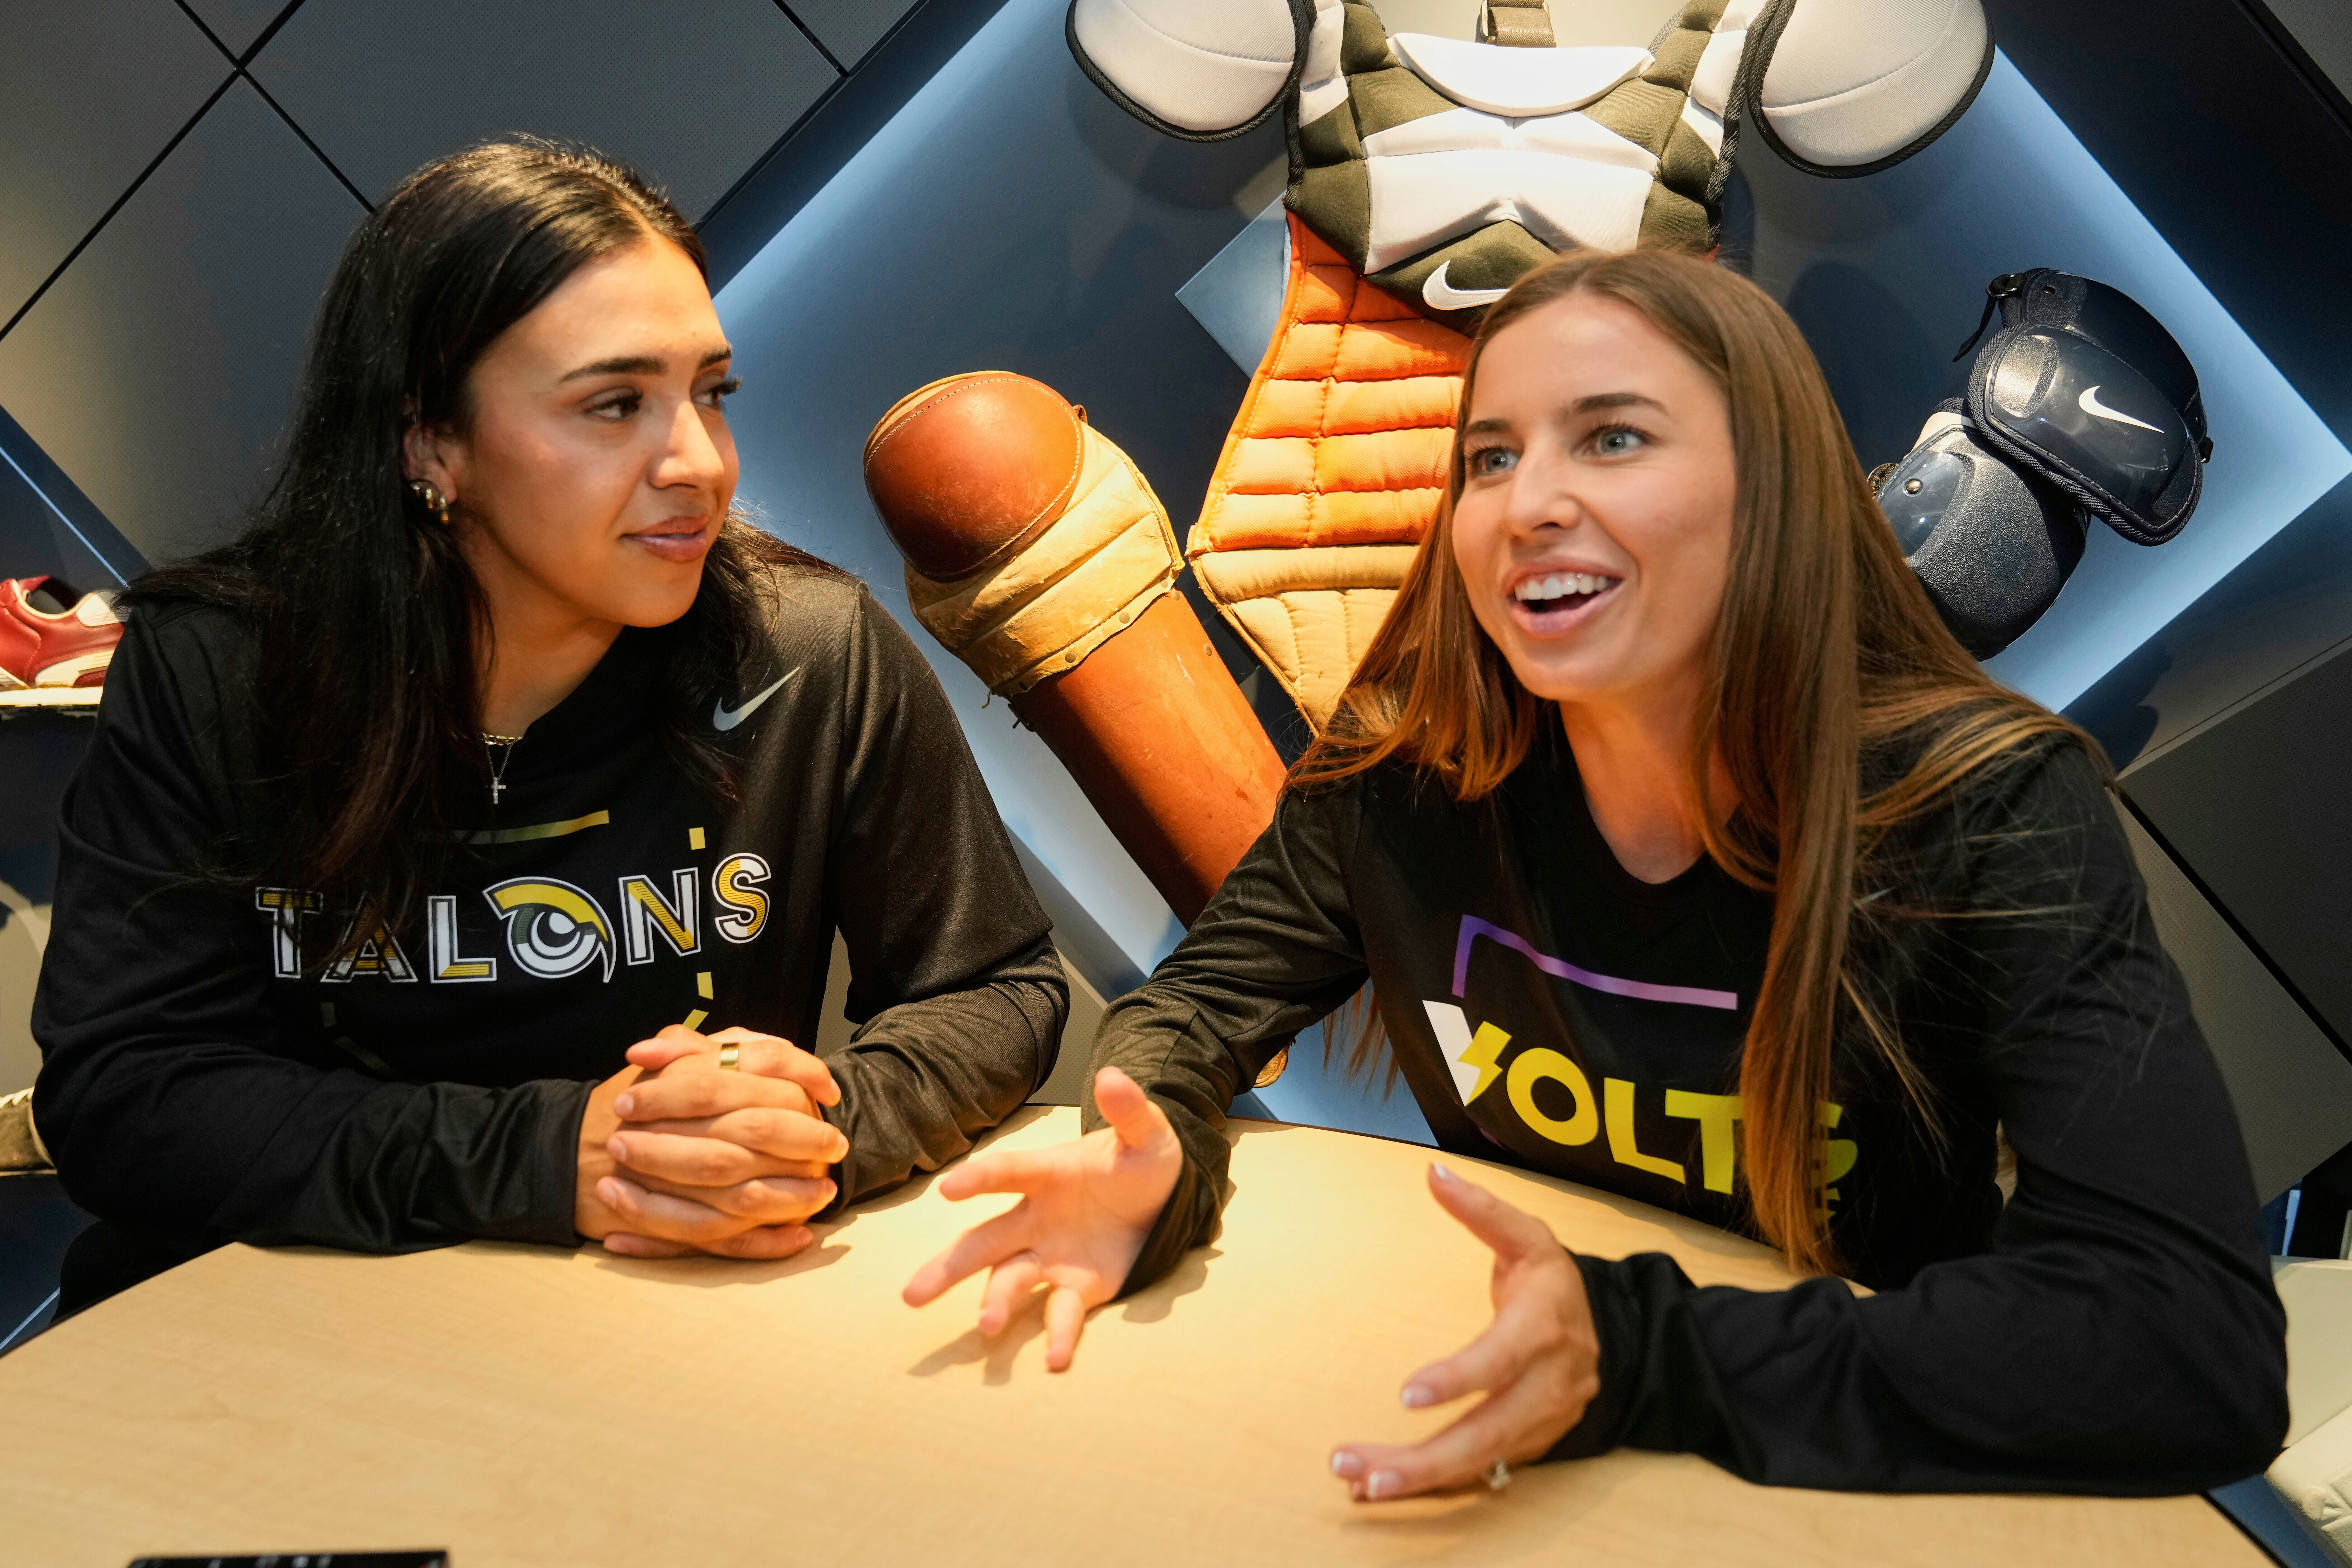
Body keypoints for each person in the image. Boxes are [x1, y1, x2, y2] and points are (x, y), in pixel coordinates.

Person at [903, 247, 2288, 1495]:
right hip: (1509, 1432)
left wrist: (1645, 1353)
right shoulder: (1404, 770)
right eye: (1490, 458)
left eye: (1611, 438)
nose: (1529, 503)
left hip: (1827, 1469)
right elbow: (1194, 1009)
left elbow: (2189, 1345)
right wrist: (1151, 1142)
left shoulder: (1987, 807)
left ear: (1774, 491)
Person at [33, 139, 1065, 1307]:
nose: (699, 462)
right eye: (614, 404)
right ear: (430, 442)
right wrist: (554, 1157)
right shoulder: (219, 668)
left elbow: (994, 983)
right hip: (268, 1325)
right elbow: (125, 1091)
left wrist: (806, 1131)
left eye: (710, 393)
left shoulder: (810, 653)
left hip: (656, 1324)